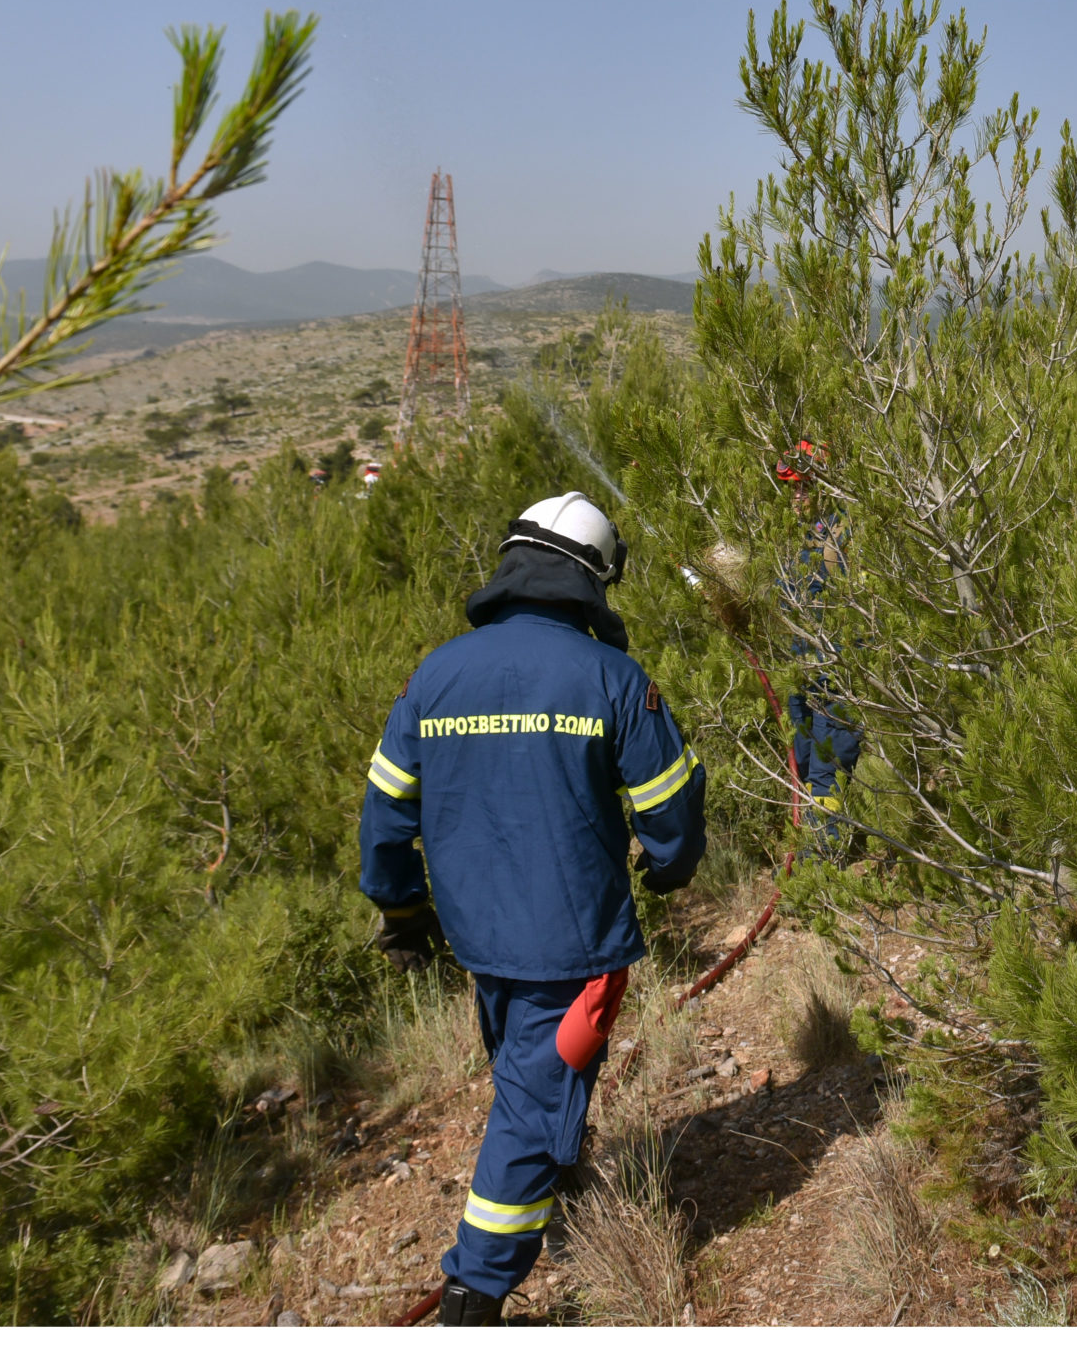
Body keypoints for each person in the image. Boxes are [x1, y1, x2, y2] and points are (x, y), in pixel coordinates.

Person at [359, 492, 705, 1325]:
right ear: (592, 580)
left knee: (527, 1084)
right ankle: (475, 1293)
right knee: (527, 1108)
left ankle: (559, 1184)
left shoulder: (436, 673)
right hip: (574, 948)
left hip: (479, 938)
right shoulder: (612, 679)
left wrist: (404, 914)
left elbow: (383, 817)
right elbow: (673, 812)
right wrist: (666, 871)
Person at [775, 441, 862, 851]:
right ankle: (813, 852)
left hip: (836, 675)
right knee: (804, 762)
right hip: (801, 674)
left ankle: (823, 864)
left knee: (826, 772)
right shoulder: (794, 540)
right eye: (792, 489)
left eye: (805, 488)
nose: (797, 497)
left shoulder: (841, 536)